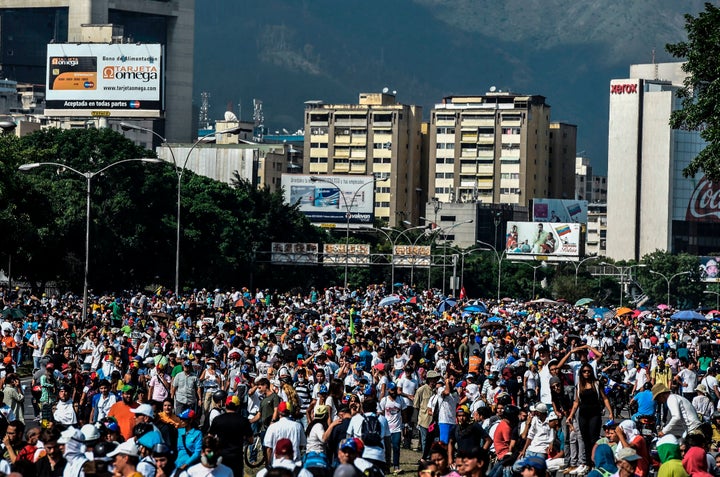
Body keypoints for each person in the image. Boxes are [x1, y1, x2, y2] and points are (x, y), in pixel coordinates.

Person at [568, 364, 614, 469]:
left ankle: (595, 462)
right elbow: (576, 402)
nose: (586, 373)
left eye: (588, 371)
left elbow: (605, 398)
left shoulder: (597, 383)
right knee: (585, 440)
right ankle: (588, 463)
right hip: (583, 415)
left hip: (595, 414)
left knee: (594, 439)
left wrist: (610, 412)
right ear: (581, 373)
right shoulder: (579, 385)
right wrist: (571, 415)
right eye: (584, 371)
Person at [208, 395, 252, 477]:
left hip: (221, 455)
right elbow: (251, 440)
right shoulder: (243, 420)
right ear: (238, 407)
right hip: (236, 456)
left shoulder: (217, 419)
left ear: (226, 405)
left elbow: (210, 437)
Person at [264, 401, 306, 466]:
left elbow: (269, 448)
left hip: (276, 464)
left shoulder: (272, 427)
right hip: (295, 464)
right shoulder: (298, 426)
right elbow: (302, 444)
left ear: (278, 412)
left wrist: (267, 465)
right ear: (290, 412)